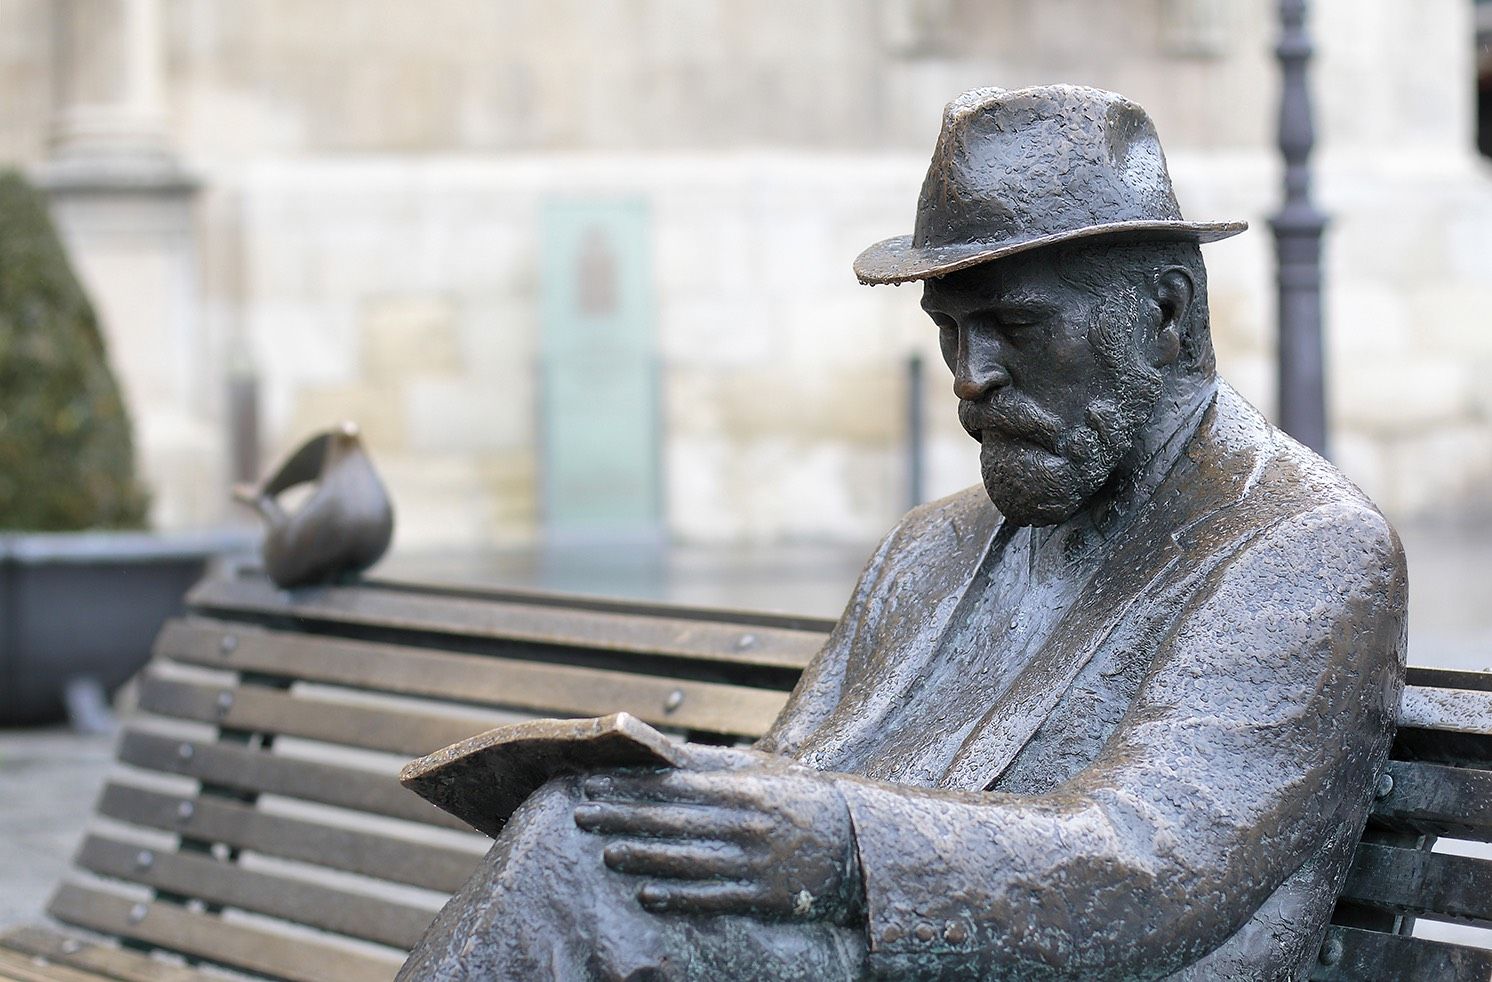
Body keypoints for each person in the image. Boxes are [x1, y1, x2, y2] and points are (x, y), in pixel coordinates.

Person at [399, 84, 1405, 981]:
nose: (969, 377)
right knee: (588, 835)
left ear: (1168, 312)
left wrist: (844, 844)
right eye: (948, 332)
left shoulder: (1302, 549)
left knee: (579, 862)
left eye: (1012, 327)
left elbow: (1156, 860)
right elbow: (792, 771)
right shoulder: (934, 546)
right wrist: (690, 800)